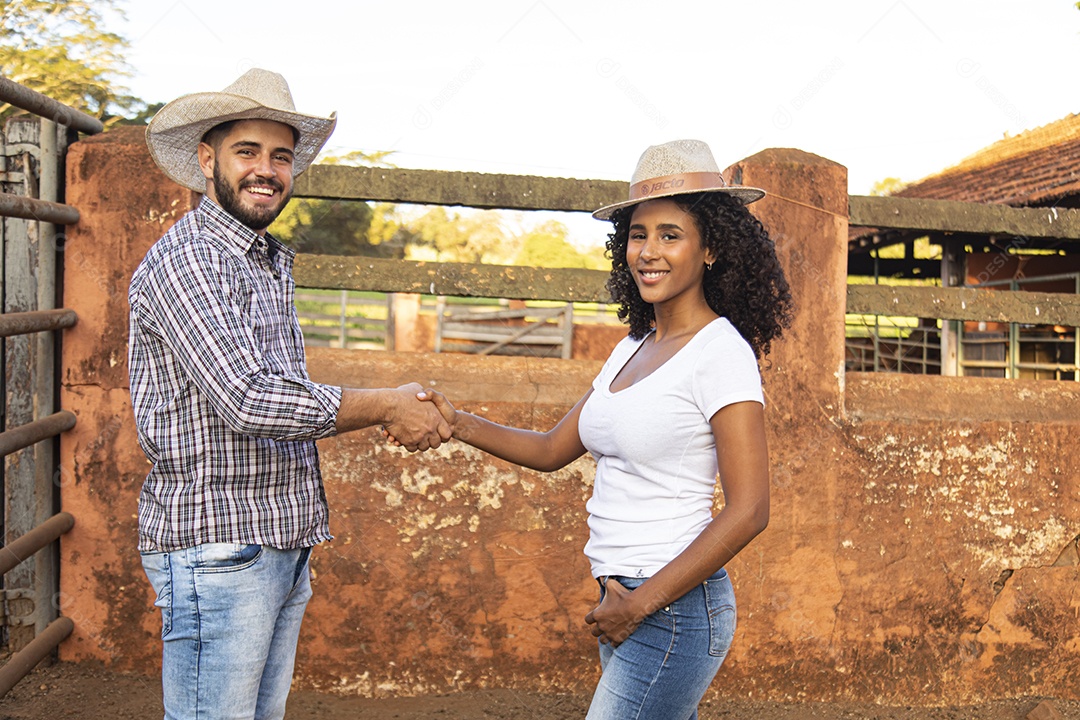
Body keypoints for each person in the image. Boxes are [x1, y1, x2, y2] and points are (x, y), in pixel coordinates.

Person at [400, 139, 792, 718]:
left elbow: (750, 509)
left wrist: (641, 603)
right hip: (622, 599)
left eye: (670, 235)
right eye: (638, 235)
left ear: (710, 247)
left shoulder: (720, 353)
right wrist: (458, 422)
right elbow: (551, 448)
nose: (648, 252)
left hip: (671, 608)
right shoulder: (632, 347)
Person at [129, 68, 450, 720]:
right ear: (207, 159)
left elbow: (273, 392)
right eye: (247, 151)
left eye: (281, 156)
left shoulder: (261, 260)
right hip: (220, 546)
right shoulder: (191, 260)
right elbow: (249, 399)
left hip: (271, 539)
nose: (266, 170)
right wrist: (388, 404)